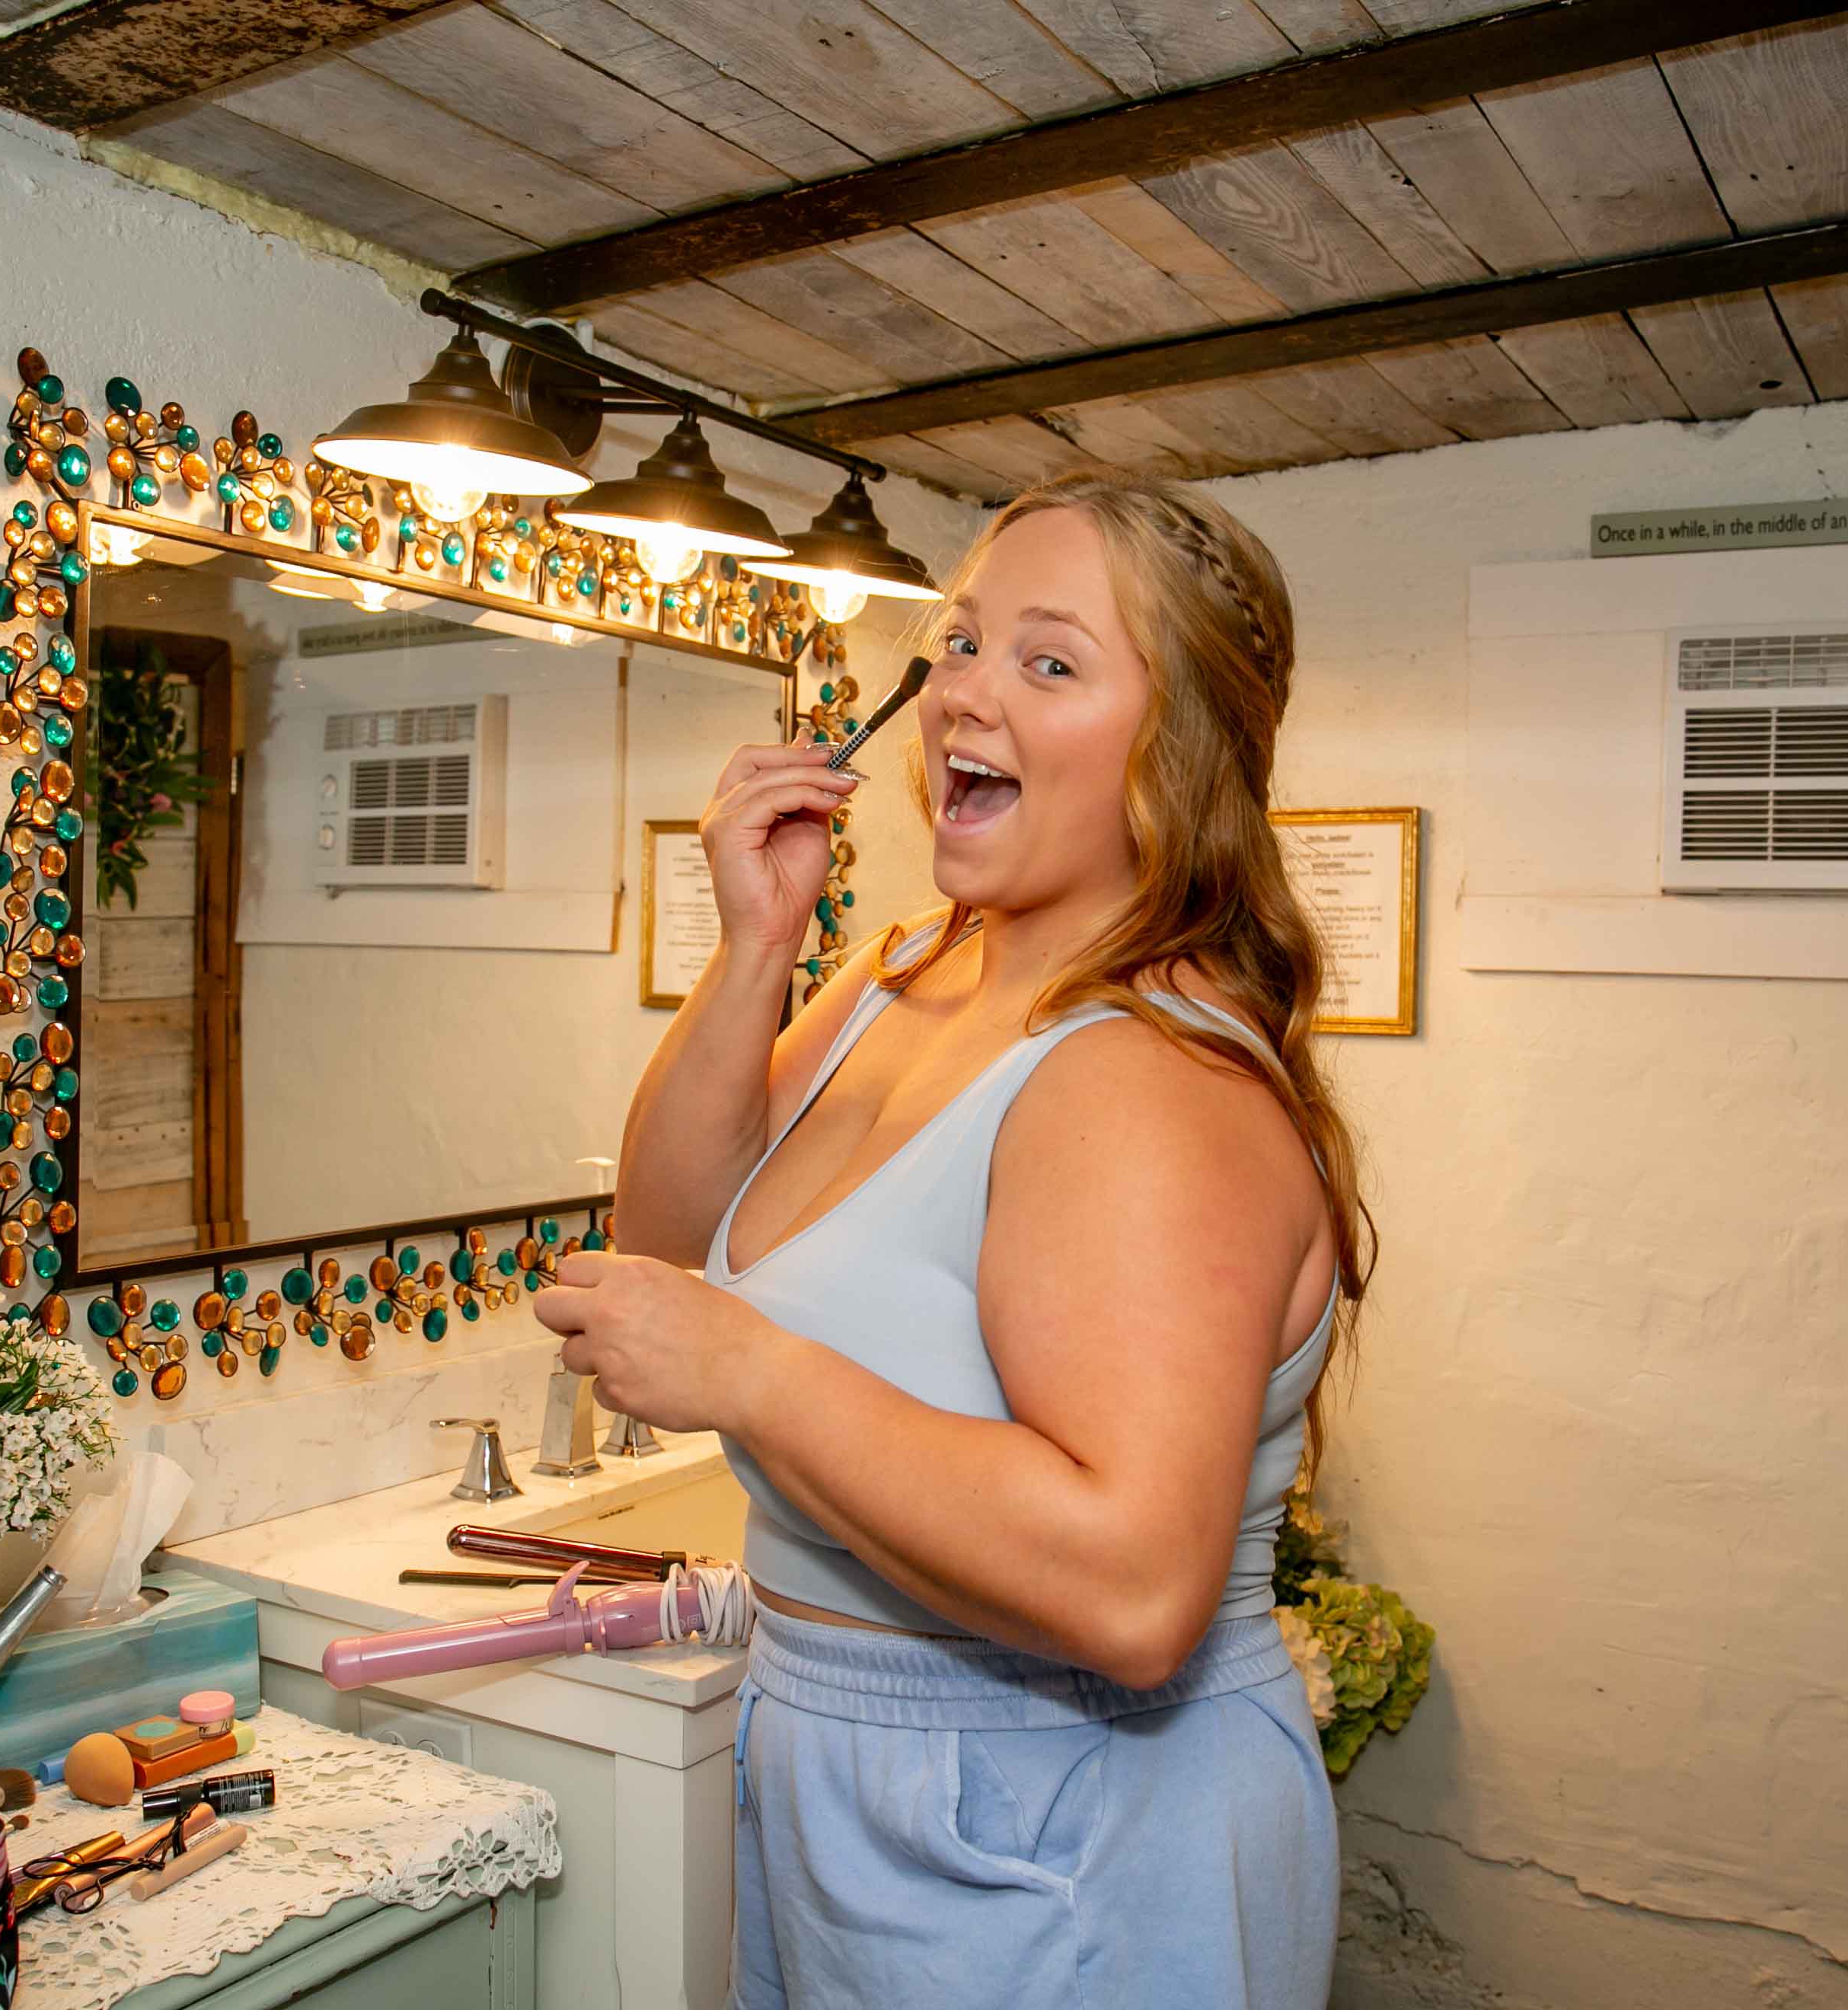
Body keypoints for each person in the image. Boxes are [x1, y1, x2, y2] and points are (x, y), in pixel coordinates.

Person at [532, 466, 1375, 2008]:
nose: (968, 696)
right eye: (964, 645)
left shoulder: (1143, 1078)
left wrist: (758, 1372)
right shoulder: (902, 969)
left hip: (1058, 1811)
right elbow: (665, 1243)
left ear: (1179, 751)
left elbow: (1133, 1593)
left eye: (1052, 662)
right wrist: (757, 948)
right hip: (853, 1763)